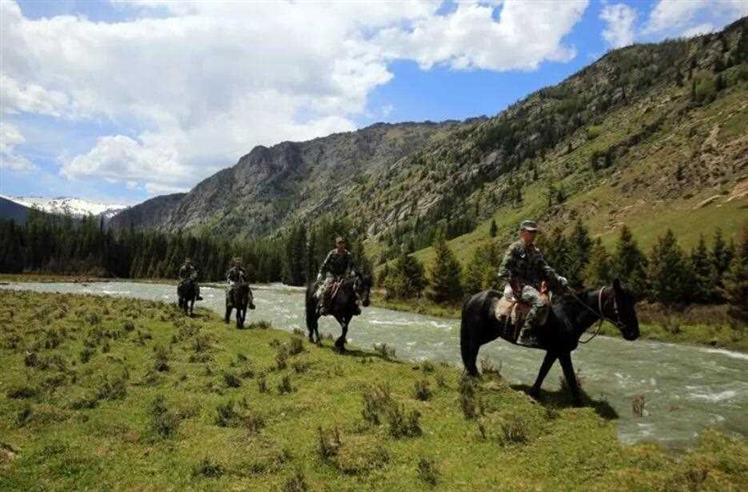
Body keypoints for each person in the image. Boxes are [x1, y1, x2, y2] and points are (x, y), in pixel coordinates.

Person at [497, 220, 568, 345]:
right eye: (530, 232)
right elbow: (503, 270)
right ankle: (524, 335)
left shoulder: (536, 251)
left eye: (535, 232)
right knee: (541, 303)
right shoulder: (514, 248)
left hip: (533, 286)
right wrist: (512, 284)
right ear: (522, 232)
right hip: (518, 286)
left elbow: (545, 268)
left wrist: (559, 278)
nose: (533, 234)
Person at [315, 236, 359, 315]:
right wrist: (320, 272)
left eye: (342, 243)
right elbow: (325, 264)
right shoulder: (331, 253)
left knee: (353, 289)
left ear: (344, 244)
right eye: (339, 243)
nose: (341, 245)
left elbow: (351, 265)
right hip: (332, 275)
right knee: (326, 290)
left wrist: (351, 272)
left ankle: (355, 307)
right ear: (336, 244)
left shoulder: (348, 254)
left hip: (344, 276)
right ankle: (323, 306)